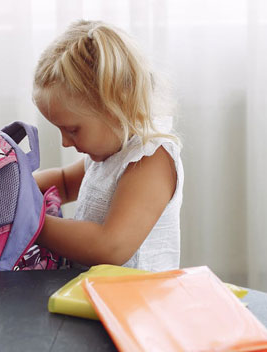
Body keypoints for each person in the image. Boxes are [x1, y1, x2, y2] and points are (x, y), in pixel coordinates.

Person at [32, 20, 183, 272]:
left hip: (136, 302)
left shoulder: (150, 158)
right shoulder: (107, 152)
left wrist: (29, 225)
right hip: (96, 294)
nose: (65, 142)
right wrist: (13, 192)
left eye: (72, 129)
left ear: (115, 107)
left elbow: (110, 246)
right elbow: (65, 183)